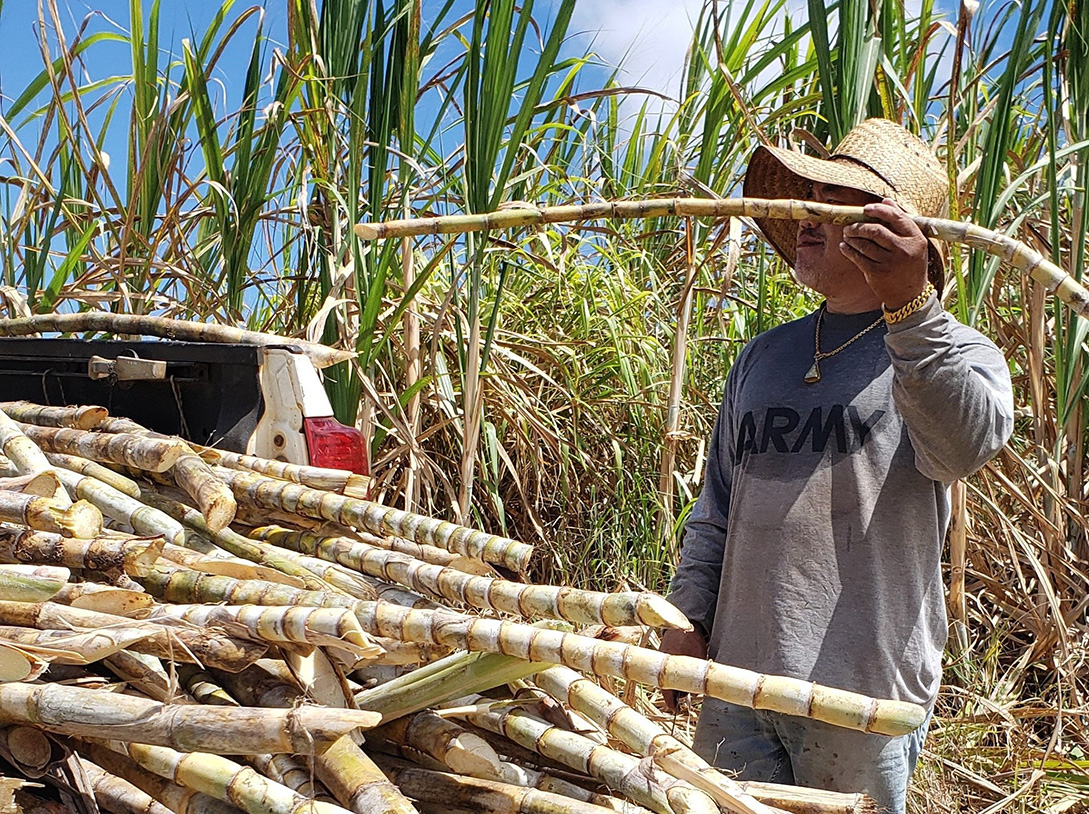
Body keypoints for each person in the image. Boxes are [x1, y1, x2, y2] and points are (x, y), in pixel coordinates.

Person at [662, 118, 1014, 813]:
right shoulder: (763, 357)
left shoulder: (955, 351)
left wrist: (910, 310)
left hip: (859, 694)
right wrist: (685, 613)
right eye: (808, 195)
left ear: (884, 229)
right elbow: (718, 506)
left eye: (832, 199)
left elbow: (961, 448)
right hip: (736, 684)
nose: (805, 216)